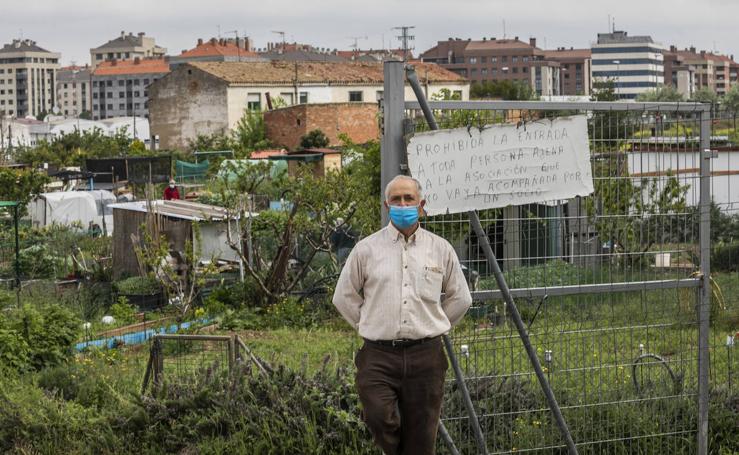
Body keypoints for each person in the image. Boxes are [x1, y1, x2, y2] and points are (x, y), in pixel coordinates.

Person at [333, 175, 472, 455]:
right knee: (378, 416)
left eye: (409, 198)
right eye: (396, 199)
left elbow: (461, 298)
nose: (402, 203)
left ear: (421, 205)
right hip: (378, 355)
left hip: (426, 355)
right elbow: (343, 296)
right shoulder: (367, 250)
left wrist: (437, 324)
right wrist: (367, 323)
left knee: (422, 437)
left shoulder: (440, 249)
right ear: (387, 205)